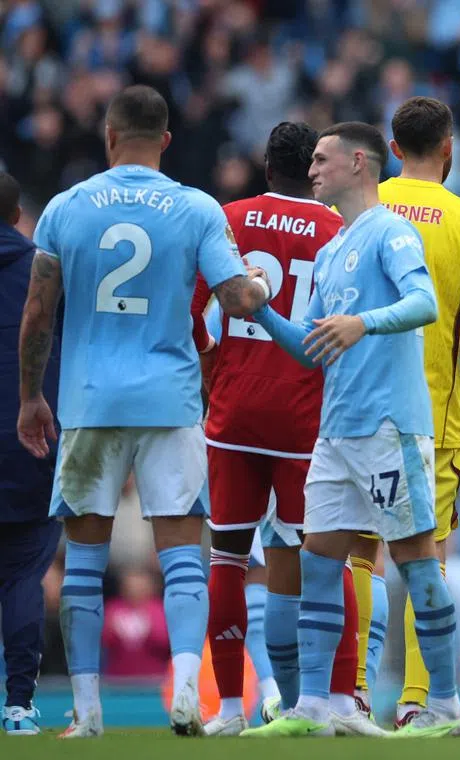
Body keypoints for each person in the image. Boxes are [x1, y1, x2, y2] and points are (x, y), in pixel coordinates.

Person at [15, 84, 271, 739]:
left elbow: (39, 312)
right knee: (184, 549)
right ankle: (188, 691)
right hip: (169, 399)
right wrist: (262, 285)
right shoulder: (195, 208)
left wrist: (30, 397)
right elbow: (238, 297)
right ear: (164, 139)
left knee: (85, 560)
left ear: (108, 136)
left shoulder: (67, 208)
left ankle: (89, 712)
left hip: (91, 401)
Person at [240, 121, 460, 738]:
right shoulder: (336, 245)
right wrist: (259, 307)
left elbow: (425, 304)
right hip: (337, 433)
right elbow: (311, 347)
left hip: (390, 429)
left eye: (321, 159)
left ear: (359, 163)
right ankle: (312, 705)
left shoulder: (392, 230)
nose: (311, 169)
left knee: (416, 560)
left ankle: (444, 704)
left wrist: (363, 323)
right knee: (319, 560)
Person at [189, 122, 380, 736]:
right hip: (306, 417)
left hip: (234, 412)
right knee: (326, 559)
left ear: (266, 166)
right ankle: (341, 701)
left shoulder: (228, 217)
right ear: (314, 168)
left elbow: (196, 314)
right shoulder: (337, 229)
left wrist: (211, 376)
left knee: (227, 558)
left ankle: (227, 709)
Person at [372, 95, 460, 728]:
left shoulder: (363, 204)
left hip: (355, 411)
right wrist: (456, 335)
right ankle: (416, 701)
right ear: (449, 147)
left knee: (356, 553)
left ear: (392, 148)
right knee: (427, 558)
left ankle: (346, 694)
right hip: (432, 418)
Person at [0, 171, 62, 736]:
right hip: (30, 440)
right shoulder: (42, 270)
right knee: (22, 577)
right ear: (18, 216)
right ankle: (18, 707)